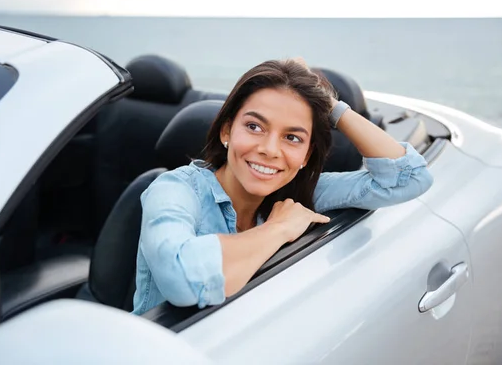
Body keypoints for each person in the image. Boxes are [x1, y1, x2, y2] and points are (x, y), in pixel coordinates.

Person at [132, 59, 433, 315]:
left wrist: (330, 106)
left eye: (293, 138)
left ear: (306, 157)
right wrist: (277, 229)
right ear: (227, 130)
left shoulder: (301, 191)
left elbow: (409, 178)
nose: (270, 149)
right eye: (254, 126)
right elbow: (182, 279)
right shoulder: (175, 190)